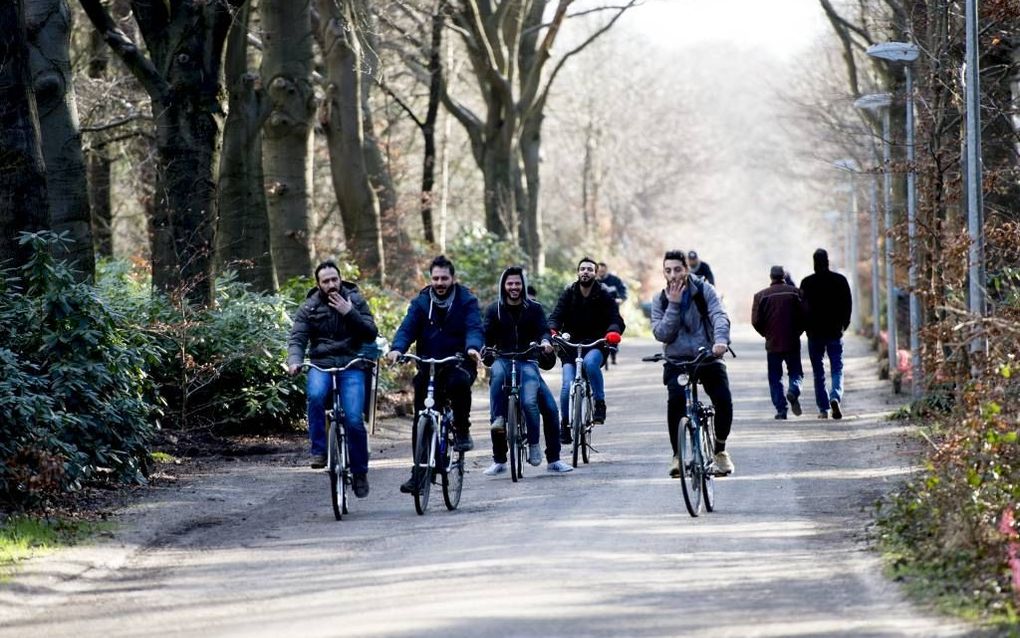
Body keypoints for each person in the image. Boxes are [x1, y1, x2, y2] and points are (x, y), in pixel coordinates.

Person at [386, 255, 483, 493]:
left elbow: (474, 327)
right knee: (421, 417)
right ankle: (419, 474)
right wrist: (397, 349)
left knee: (459, 383)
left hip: (459, 361)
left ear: (453, 278)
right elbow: (407, 328)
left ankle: (462, 430)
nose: (440, 282)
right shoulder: (421, 302)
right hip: (429, 365)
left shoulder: (466, 300)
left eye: (444, 278)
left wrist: (472, 347)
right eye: (436, 278)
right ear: (430, 279)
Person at [287, 260, 379, 498]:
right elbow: (297, 338)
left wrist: (349, 313)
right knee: (316, 396)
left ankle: (359, 472)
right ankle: (319, 451)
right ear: (318, 284)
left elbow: (370, 332)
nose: (331, 285)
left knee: (353, 419)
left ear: (340, 279)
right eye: (326, 281)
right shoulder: (309, 307)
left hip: (352, 364)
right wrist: (294, 361)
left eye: (334, 280)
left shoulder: (355, 300)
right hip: (322, 363)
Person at [651, 250, 734, 477]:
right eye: (668, 270)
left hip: (707, 355)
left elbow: (719, 316)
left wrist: (720, 341)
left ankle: (720, 450)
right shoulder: (660, 299)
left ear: (687, 269)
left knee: (723, 400)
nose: (673, 274)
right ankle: (677, 456)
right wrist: (674, 305)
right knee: (676, 399)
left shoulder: (705, 291)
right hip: (676, 360)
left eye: (678, 269)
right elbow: (661, 334)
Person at [482, 266, 573, 475]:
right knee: (496, 378)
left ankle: (550, 457)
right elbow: (485, 334)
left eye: (517, 283)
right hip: (503, 359)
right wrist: (483, 348)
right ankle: (499, 459)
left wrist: (545, 342)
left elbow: (543, 330)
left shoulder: (534, 308)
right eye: (509, 283)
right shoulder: (493, 309)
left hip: (528, 361)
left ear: (522, 285)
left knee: (548, 408)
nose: (513, 287)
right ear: (503, 286)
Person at [549, 257, 626, 442]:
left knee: (591, 364)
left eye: (590, 269)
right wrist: (552, 329)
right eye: (582, 269)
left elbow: (615, 318)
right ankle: (565, 424)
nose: (585, 272)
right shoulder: (569, 293)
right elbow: (556, 315)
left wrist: (613, 332)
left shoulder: (604, 294)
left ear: (595, 273)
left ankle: (600, 403)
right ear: (578, 272)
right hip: (571, 345)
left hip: (596, 343)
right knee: (567, 385)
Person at [799, 248, 852, 419]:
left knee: (818, 372)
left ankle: (824, 409)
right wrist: (844, 325)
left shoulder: (807, 283)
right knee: (837, 368)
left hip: (814, 334)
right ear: (828, 261)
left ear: (814, 263)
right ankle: (835, 396)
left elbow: (802, 309)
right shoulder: (840, 280)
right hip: (835, 332)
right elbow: (847, 305)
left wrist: (805, 328)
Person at [751, 265, 805, 420]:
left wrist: (766, 334)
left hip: (772, 342)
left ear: (771, 276)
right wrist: (798, 331)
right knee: (795, 372)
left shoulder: (760, 296)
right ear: (784, 276)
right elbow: (805, 314)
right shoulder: (795, 293)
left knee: (775, 377)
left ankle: (781, 410)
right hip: (792, 340)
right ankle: (794, 390)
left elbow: (755, 321)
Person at [597, 262, 627, 365]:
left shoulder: (615, 280)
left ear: (606, 270)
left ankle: (613, 353)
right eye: (599, 271)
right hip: (598, 311)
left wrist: (620, 299)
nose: (601, 272)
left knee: (613, 329)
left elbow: (623, 291)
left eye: (602, 270)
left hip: (612, 310)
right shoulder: (593, 281)